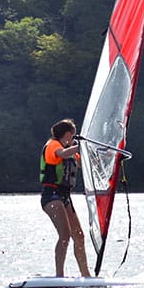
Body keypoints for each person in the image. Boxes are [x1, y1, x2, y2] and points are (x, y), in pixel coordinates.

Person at [40, 118, 91, 277]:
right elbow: (61, 154)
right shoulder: (54, 145)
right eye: (72, 135)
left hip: (65, 196)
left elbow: (84, 164)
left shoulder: (71, 150)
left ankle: (86, 275)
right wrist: (79, 146)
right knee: (65, 235)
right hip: (51, 195)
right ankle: (59, 276)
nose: (73, 138)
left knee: (79, 236)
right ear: (67, 134)